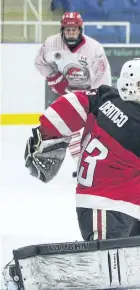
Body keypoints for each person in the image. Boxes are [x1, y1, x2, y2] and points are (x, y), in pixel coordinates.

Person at [1, 59, 140, 290]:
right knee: (103, 261)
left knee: (126, 251)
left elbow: (71, 104)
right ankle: (25, 271)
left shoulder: (105, 98)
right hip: (104, 206)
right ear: (132, 88)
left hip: (107, 204)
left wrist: (46, 133)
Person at [34, 11, 112, 177]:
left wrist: (97, 98)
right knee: (70, 131)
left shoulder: (93, 49)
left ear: (80, 29)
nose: (71, 33)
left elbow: (102, 78)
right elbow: (40, 63)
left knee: (94, 130)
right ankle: (82, 164)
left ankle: (97, 163)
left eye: (74, 29)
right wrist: (54, 77)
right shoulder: (52, 43)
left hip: (90, 94)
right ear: (62, 30)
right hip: (67, 95)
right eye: (67, 30)